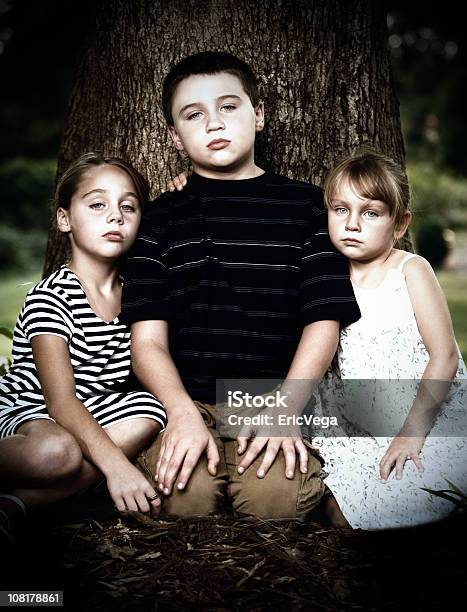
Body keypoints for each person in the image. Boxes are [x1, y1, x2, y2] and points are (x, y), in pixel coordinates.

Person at [120, 51, 361, 519]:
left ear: (260, 114)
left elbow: (323, 319)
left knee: (278, 506)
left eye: (229, 107)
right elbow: (146, 340)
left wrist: (287, 407)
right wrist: (180, 413)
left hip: (269, 397)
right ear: (175, 135)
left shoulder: (308, 207)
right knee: (182, 502)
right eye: (194, 115)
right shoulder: (159, 219)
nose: (214, 124)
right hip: (188, 400)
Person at [0, 153, 166, 542]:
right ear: (64, 219)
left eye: (129, 206)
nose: (116, 216)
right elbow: (59, 403)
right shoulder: (50, 297)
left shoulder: (137, 296)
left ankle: (17, 503)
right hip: (33, 409)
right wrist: (118, 468)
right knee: (56, 454)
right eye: (97, 204)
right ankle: (48, 491)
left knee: (149, 411)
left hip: (96, 409)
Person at [314, 149, 467, 529]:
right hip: (358, 427)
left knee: (417, 498)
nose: (352, 223)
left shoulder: (410, 270)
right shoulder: (325, 276)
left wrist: (411, 434)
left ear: (400, 224)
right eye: (340, 210)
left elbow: (445, 356)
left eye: (370, 213)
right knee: (342, 511)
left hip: (425, 419)